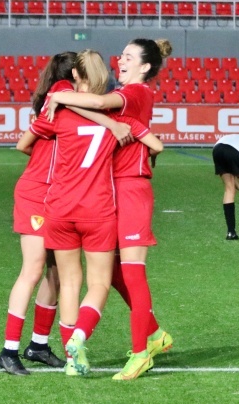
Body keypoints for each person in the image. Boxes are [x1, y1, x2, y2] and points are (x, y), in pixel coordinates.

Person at [46, 38, 174, 380]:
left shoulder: (135, 92)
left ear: (145, 67)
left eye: (129, 57)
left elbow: (101, 101)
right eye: (122, 54)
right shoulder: (128, 97)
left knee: (131, 272)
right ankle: (156, 334)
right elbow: (103, 112)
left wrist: (59, 95)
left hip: (130, 186)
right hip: (111, 191)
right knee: (113, 273)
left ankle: (141, 353)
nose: (121, 59)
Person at [0, 51, 77, 376]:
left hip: (55, 192)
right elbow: (25, 143)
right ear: (75, 74)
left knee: (55, 273)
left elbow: (33, 142)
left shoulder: (60, 96)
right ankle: (8, 351)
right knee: (32, 270)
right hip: (38, 194)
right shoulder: (64, 92)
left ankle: (38, 345)